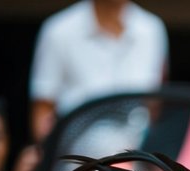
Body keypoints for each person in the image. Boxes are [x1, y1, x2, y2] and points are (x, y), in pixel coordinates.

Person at [29, 0, 168, 142]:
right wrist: (49, 155)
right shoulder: (59, 30)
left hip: (136, 154)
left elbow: (153, 105)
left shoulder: (151, 29)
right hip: (75, 154)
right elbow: (43, 110)